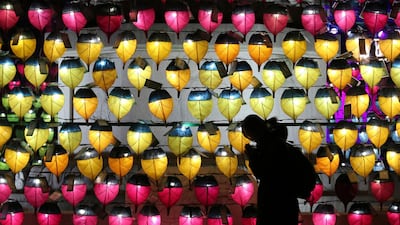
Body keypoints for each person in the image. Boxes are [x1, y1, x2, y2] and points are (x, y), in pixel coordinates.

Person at [241, 114, 316, 225]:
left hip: (274, 203)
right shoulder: (280, 144)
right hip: (287, 203)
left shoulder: (270, 147)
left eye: (249, 134)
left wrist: (253, 157)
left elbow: (265, 173)